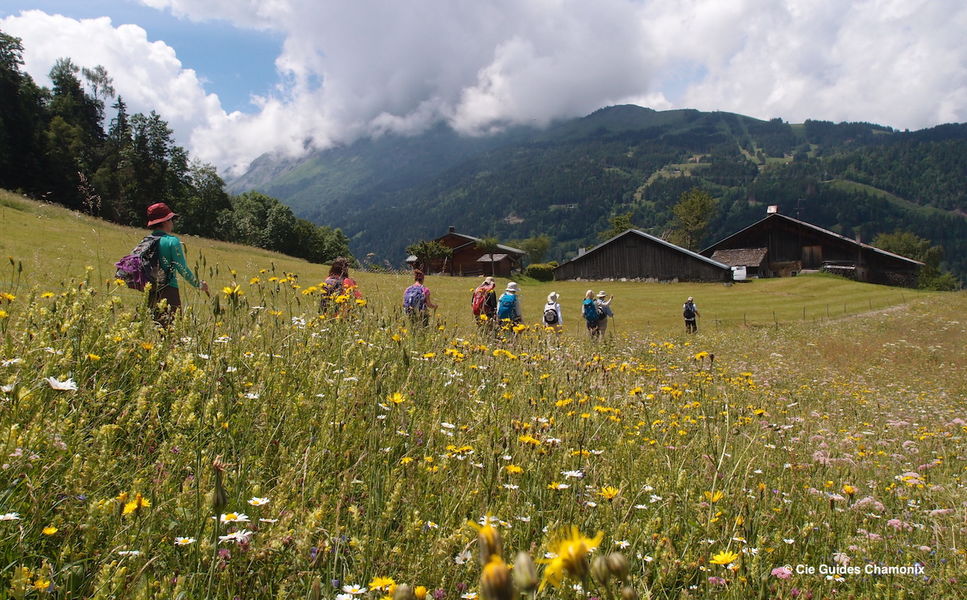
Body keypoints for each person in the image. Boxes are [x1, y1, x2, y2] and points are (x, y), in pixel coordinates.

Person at [144, 203, 208, 326]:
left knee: (155, 328)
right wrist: (198, 284)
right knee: (171, 330)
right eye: (172, 219)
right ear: (165, 221)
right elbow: (182, 268)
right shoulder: (172, 241)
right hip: (169, 290)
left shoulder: (147, 240)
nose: (173, 223)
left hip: (150, 290)